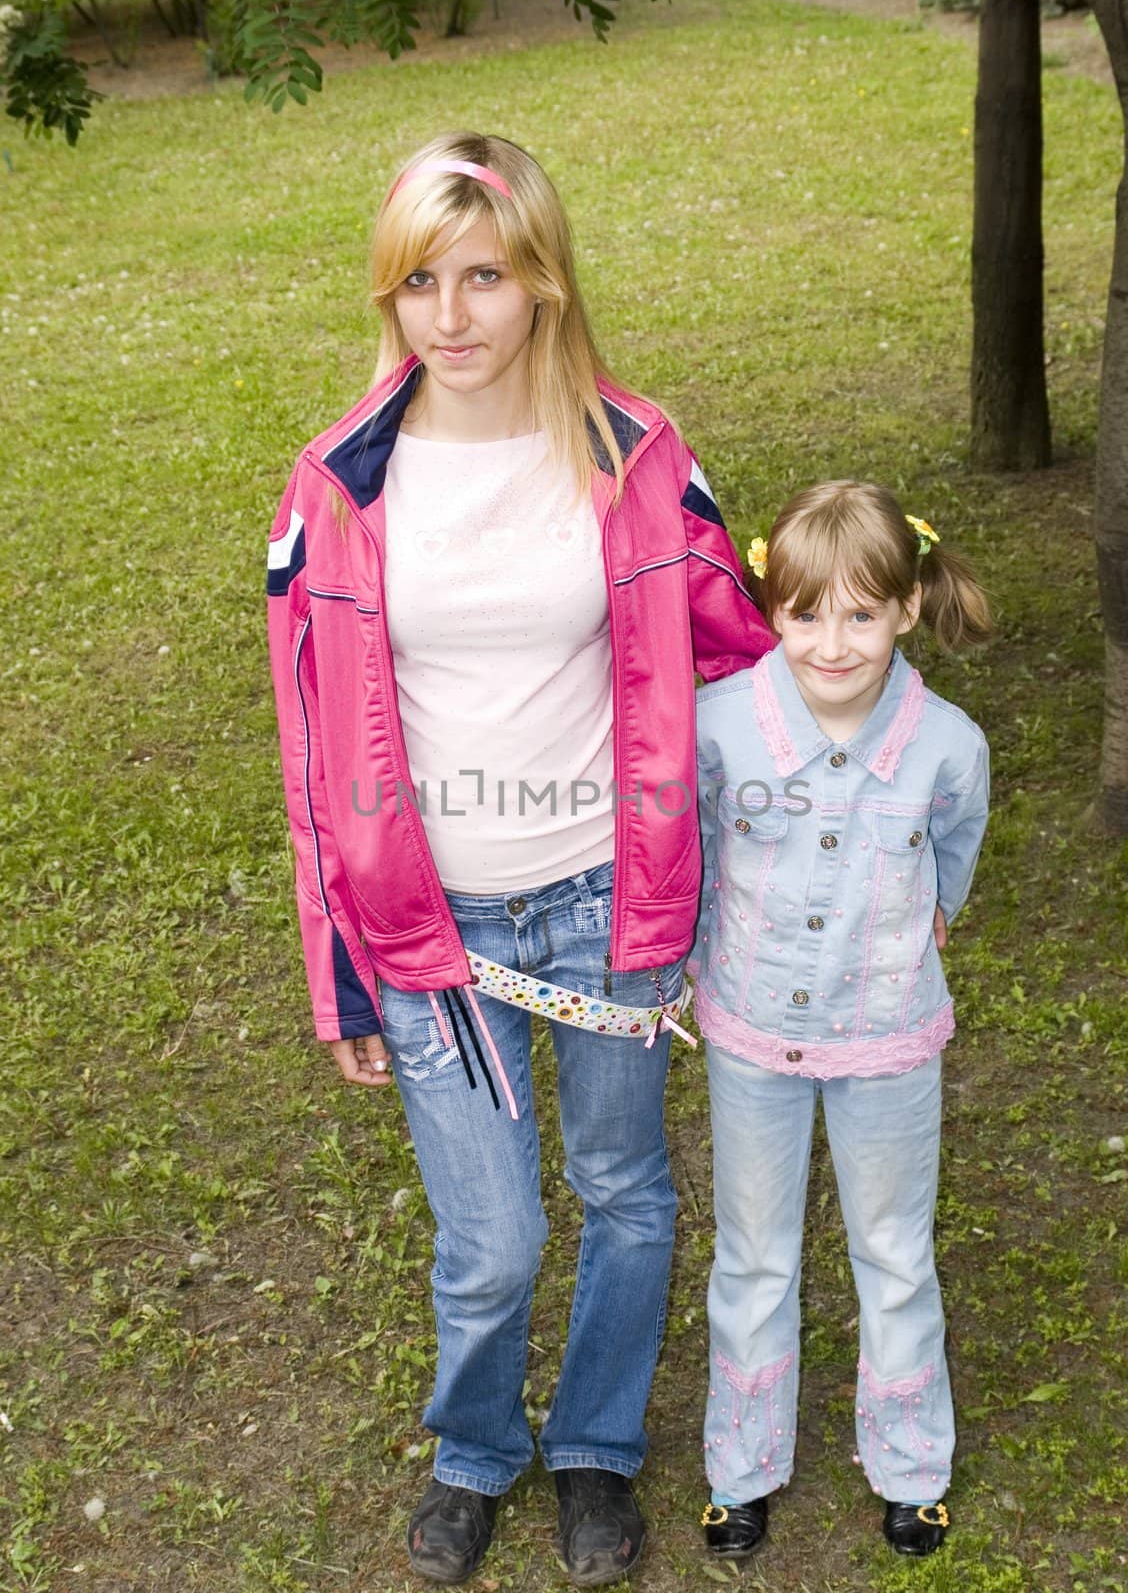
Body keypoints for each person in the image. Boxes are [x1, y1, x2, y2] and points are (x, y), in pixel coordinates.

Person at [265, 132, 772, 1586]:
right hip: (432, 929)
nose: (453, 315)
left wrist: (857, 805)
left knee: (624, 1187)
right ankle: (478, 1449)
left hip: (617, 897)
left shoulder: (640, 457)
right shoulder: (335, 486)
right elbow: (312, 761)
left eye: (485, 275)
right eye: (420, 280)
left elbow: (743, 667)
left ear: (544, 279)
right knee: (490, 1242)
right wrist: (341, 976)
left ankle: (597, 1446)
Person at [691, 481, 992, 1561]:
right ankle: (740, 1468)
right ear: (773, 609)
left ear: (908, 609)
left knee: (894, 1253)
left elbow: (948, 859)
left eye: (861, 614)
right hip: (752, 1037)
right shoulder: (716, 726)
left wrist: (920, 924)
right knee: (754, 1254)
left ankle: (913, 1470)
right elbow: (695, 860)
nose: (832, 642)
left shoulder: (948, 746)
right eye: (806, 611)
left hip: (887, 1041)